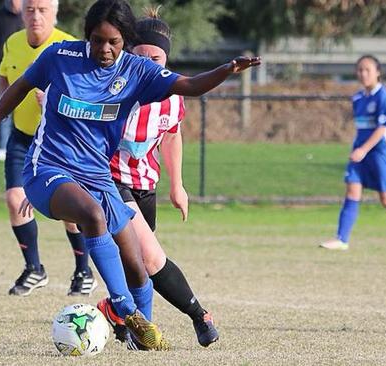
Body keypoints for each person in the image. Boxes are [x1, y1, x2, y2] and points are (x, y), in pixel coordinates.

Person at [0, 0, 259, 350]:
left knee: (136, 262)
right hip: (48, 170)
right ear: (87, 36)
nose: (104, 49)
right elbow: (18, 87)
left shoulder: (137, 71)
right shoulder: (60, 56)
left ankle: (140, 336)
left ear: (125, 41)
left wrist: (225, 69)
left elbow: (190, 86)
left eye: (113, 42)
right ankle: (124, 308)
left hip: (98, 178)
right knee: (92, 214)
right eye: (98, 40)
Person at [96, 8, 218, 347]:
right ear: (129, 54)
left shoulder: (172, 95)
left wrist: (177, 185)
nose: (149, 63)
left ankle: (119, 314)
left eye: (157, 57)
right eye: (142, 56)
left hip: (145, 185)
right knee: (149, 256)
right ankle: (200, 316)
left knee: (136, 263)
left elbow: (171, 135)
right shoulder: (111, 85)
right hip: (109, 180)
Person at [0, 0, 97, 297]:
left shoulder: (69, 46)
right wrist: (5, 103)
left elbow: (87, 94)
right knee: (15, 200)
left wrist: (54, 100)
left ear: (55, 12)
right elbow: (4, 74)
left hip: (59, 139)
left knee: (68, 207)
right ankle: (34, 269)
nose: (35, 16)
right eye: (30, 9)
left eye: (42, 10)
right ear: (21, 12)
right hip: (23, 135)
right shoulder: (13, 42)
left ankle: (83, 271)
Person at [320, 55, 386, 250]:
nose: (363, 74)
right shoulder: (358, 98)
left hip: (380, 153)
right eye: (360, 70)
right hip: (360, 152)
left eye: (367, 70)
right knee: (352, 189)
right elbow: (363, 128)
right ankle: (341, 239)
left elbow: (382, 128)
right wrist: (358, 148)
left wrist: (363, 149)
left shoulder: (384, 96)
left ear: (378, 72)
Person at [0, 0, 24, 161]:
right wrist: (2, 59)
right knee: (4, 105)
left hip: (27, 71)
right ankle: (2, 146)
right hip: (4, 71)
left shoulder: (27, 16)